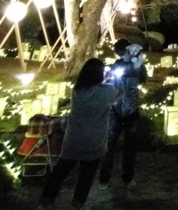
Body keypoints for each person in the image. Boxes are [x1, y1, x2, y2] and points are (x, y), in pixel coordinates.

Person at [39, 58, 120, 209]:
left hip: (73, 141)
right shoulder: (107, 91)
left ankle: (46, 201)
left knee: (60, 172)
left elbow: (94, 89)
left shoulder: (77, 91)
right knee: (86, 176)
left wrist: (104, 78)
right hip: (94, 142)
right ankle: (77, 204)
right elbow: (118, 92)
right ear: (100, 74)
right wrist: (111, 77)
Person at [99, 39, 148, 190]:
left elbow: (143, 79)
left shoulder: (138, 65)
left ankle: (127, 178)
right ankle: (104, 179)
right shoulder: (115, 65)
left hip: (131, 109)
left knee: (129, 146)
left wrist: (137, 66)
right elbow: (105, 81)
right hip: (115, 108)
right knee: (109, 145)